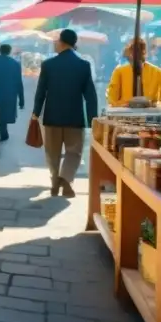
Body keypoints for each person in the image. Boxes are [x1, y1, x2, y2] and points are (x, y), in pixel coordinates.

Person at [32, 29, 98, 198]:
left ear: (61, 42)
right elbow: (90, 94)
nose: (54, 43)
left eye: (56, 41)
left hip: (52, 116)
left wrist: (35, 113)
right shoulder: (83, 65)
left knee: (52, 152)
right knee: (73, 152)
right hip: (74, 117)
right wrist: (93, 119)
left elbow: (41, 92)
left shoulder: (48, 65)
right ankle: (66, 180)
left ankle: (55, 182)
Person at [105, 40, 161, 107]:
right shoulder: (119, 72)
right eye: (131, 56)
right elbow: (112, 100)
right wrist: (126, 104)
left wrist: (154, 104)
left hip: (151, 116)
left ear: (144, 54)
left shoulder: (158, 72)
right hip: (124, 116)